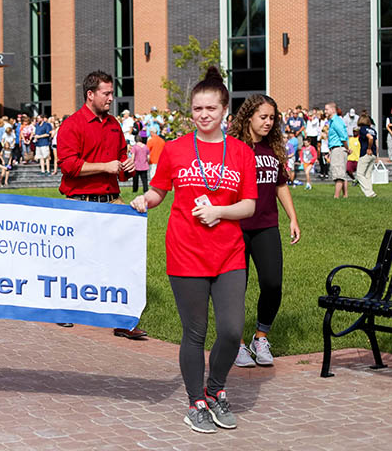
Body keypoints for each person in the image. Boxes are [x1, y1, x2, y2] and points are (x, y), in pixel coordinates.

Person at [131, 67, 257, 433]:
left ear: (225, 113)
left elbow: (248, 205)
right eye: (198, 109)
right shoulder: (174, 150)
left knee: (233, 331)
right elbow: (159, 191)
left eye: (211, 109)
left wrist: (220, 211)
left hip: (229, 253)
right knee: (195, 333)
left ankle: (216, 389)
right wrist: (145, 200)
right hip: (185, 253)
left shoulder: (241, 153)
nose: (204, 115)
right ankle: (196, 402)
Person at [57, 71, 145, 338]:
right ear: (90, 94)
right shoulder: (72, 124)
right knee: (76, 260)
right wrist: (105, 167)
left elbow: (121, 164)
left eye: (111, 93)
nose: (111, 98)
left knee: (123, 261)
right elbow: (68, 165)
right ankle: (65, 310)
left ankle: (123, 320)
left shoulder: (114, 125)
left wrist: (127, 167)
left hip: (112, 200)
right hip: (81, 202)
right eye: (106, 93)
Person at [227, 94, 301, 368]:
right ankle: (236, 343)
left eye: (272, 118)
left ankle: (261, 337)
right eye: (263, 117)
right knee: (236, 288)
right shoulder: (233, 148)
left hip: (267, 225)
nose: (269, 123)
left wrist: (292, 218)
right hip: (236, 227)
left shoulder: (272, 149)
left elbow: (280, 185)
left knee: (272, 284)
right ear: (248, 117)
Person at [326, 102, 349, 199]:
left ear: (332, 110)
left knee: (338, 173)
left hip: (338, 149)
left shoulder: (336, 121)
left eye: (327, 109)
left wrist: (347, 148)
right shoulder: (332, 121)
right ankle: (345, 195)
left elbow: (343, 136)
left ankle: (336, 196)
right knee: (341, 172)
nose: (325, 111)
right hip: (336, 148)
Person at [355, 112, 378, 198]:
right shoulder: (373, 130)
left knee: (360, 174)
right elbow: (376, 142)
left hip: (365, 153)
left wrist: (368, 148)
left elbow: (370, 138)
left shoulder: (363, 129)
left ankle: (369, 192)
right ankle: (371, 193)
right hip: (373, 154)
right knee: (368, 175)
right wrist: (376, 155)